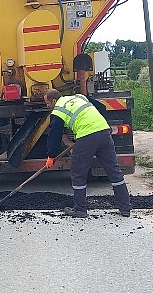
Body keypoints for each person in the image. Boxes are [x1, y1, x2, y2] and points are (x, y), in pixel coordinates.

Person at [43, 89, 131, 218]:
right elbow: (101, 107)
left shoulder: (58, 111)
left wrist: (51, 156)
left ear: (54, 101)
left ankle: (80, 209)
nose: (47, 106)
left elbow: (54, 135)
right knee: (114, 170)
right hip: (104, 132)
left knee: (78, 173)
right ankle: (125, 208)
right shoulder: (79, 97)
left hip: (86, 137)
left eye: (47, 103)